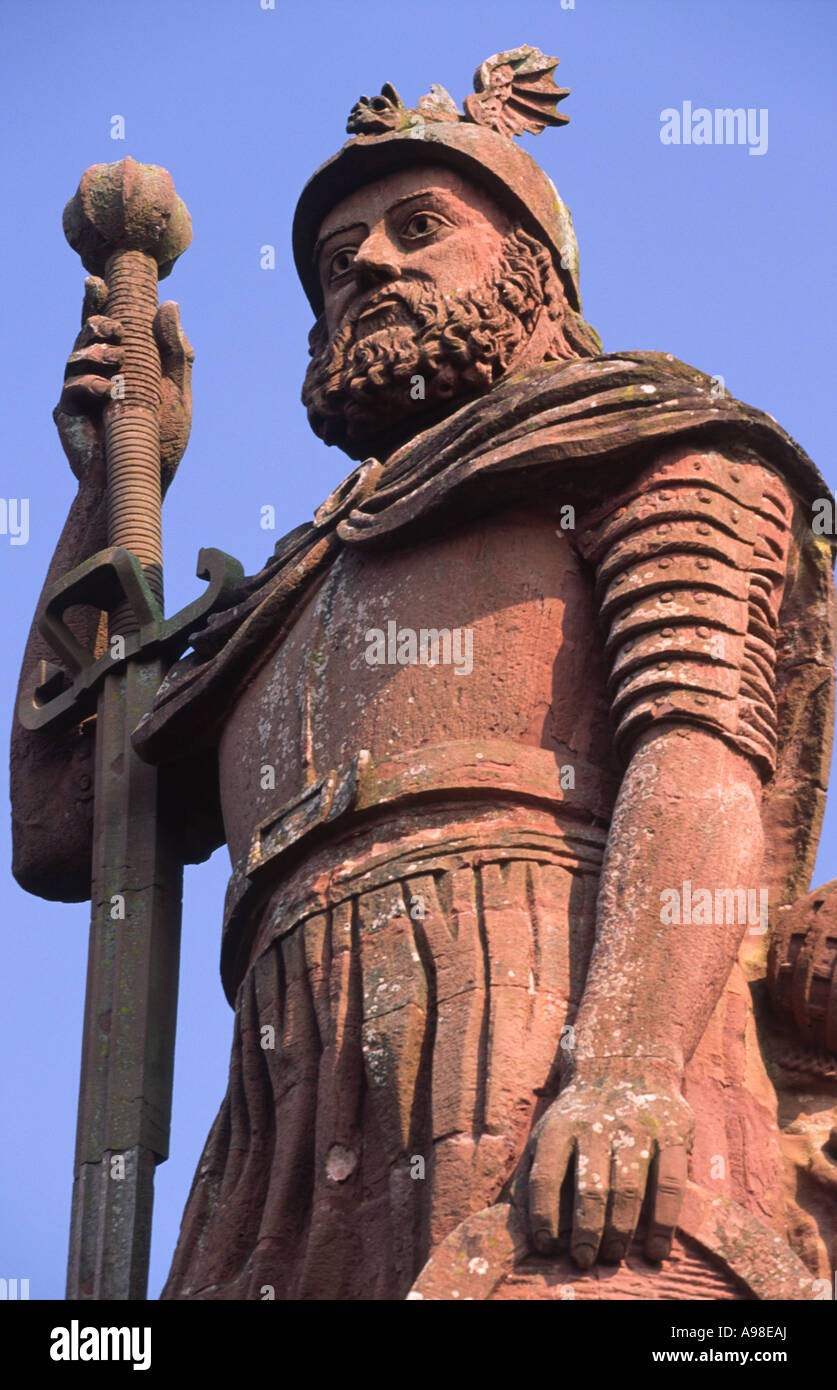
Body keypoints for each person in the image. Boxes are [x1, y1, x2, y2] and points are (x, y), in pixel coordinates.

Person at [12, 47, 837, 1300]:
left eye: (418, 228)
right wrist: (107, 496)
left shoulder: (652, 440)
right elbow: (63, 828)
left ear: (534, 268)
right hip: (280, 1144)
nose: (373, 268)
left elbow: (700, 749)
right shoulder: (277, 603)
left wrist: (625, 1065)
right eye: (339, 262)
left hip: (550, 1050)